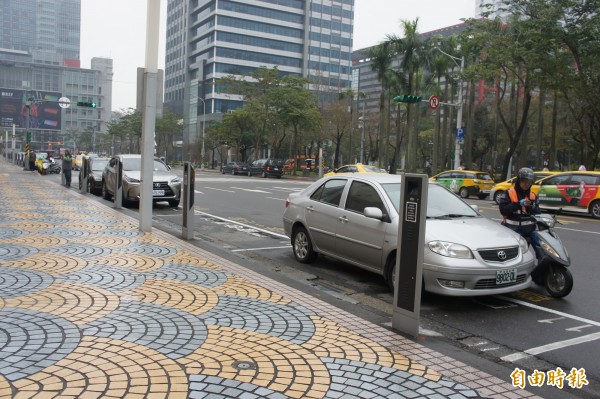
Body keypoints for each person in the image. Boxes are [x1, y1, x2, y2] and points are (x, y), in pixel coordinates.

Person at [499, 167, 541, 257]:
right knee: (517, 253)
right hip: (513, 228)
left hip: (530, 229)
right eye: (524, 181)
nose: (527, 184)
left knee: (542, 248)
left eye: (529, 182)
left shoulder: (532, 195)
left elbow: (538, 212)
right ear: (519, 180)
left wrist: (532, 207)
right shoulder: (509, 192)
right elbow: (503, 210)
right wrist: (518, 204)